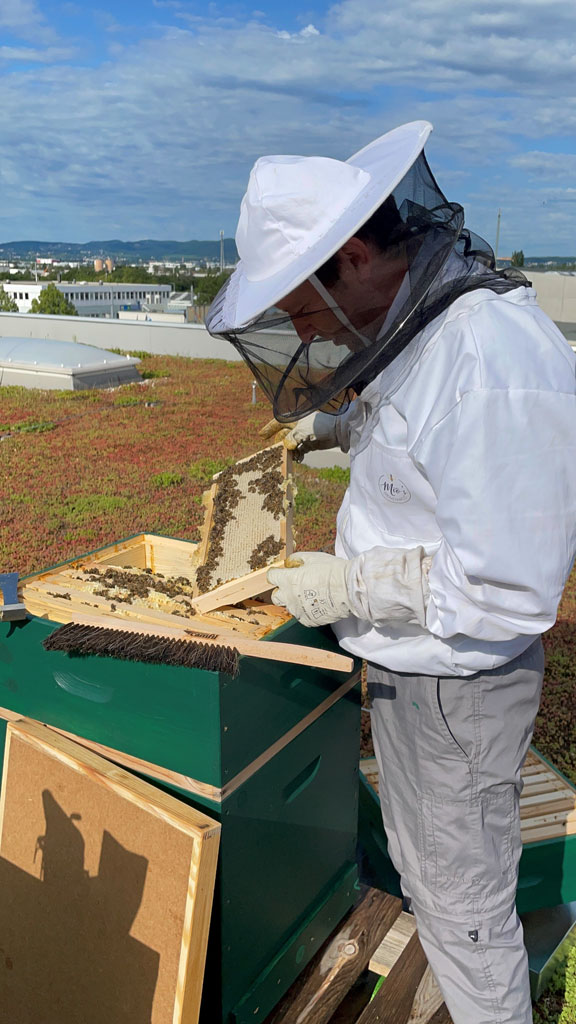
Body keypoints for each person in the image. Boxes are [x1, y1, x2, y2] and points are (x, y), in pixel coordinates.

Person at [206, 121, 576, 1023]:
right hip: (418, 675)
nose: (302, 334)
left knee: (464, 907)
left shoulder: (493, 358)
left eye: (301, 310)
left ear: (359, 253)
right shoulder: (428, 322)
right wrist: (337, 429)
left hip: (457, 688)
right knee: (435, 876)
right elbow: (425, 442)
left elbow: (508, 586)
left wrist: (348, 586)